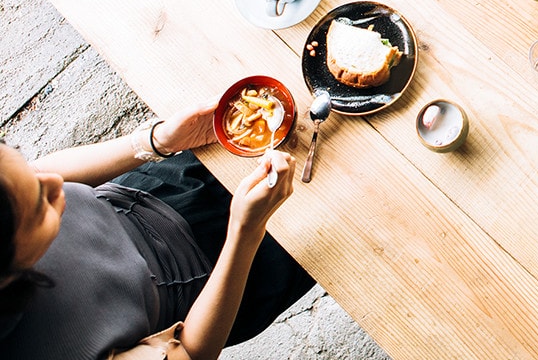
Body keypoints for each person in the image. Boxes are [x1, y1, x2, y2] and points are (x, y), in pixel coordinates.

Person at [0, 100, 314, 360]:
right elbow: (191, 352)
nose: (57, 185)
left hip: (151, 188)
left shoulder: (26, 196)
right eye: (40, 207)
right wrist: (246, 232)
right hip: (224, 273)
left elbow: (40, 174)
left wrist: (157, 141)